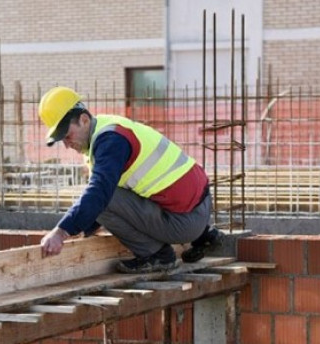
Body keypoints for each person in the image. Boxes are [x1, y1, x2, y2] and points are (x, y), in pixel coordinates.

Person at [38, 86, 222, 273]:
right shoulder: (108, 128)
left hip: (186, 221)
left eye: (67, 136)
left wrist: (61, 232)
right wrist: (85, 228)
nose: (67, 145)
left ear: (83, 120)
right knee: (101, 199)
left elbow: (100, 194)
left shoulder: (110, 142)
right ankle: (204, 235)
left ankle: (157, 255)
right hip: (199, 208)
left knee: (102, 200)